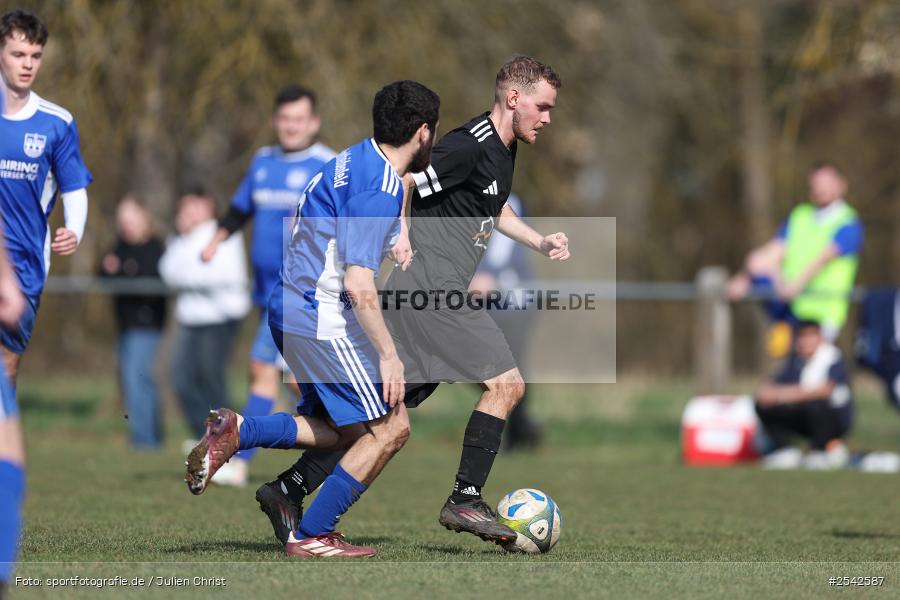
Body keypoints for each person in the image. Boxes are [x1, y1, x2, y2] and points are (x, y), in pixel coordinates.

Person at [257, 55, 568, 549]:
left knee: (377, 414)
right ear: (515, 99)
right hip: (435, 295)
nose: (549, 118)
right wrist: (401, 231)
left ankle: (288, 488)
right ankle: (465, 496)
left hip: (419, 300)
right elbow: (402, 179)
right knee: (507, 386)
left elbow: (493, 203)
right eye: (544, 106)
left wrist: (537, 241)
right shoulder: (467, 146)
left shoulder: (503, 151)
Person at [184, 80, 440, 558]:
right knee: (391, 428)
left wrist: (400, 229)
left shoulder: (353, 158)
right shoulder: (377, 190)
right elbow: (359, 285)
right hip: (319, 316)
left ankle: (242, 430)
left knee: (345, 429)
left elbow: (399, 185)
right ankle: (313, 533)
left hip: (288, 307)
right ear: (423, 132)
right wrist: (389, 356)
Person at [200, 85, 334, 487]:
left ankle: (241, 457)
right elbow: (241, 209)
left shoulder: (327, 163)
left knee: (263, 369)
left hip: (302, 292)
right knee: (295, 381)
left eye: (299, 119)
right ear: (276, 121)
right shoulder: (262, 162)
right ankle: (333, 447)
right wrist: (217, 237)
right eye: (285, 119)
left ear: (313, 122)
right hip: (268, 293)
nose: (291, 126)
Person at [0, 9, 92, 385]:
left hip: (26, 262)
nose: (27, 65)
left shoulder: (57, 122)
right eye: (18, 55)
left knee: (6, 367)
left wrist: (75, 229)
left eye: (35, 56)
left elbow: (74, 187)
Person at [728, 162, 863, 353]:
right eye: (816, 183)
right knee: (755, 261)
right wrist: (743, 278)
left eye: (827, 183)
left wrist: (795, 285)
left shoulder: (849, 222)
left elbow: (822, 260)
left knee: (816, 371)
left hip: (823, 312)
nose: (821, 188)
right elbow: (767, 255)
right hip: (792, 307)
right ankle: (781, 330)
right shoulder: (800, 216)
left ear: (841, 185)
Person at [159, 191, 250, 443]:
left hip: (220, 317)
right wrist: (183, 243)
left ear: (209, 206)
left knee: (212, 378)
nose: (189, 213)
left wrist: (187, 275)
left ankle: (227, 437)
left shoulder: (224, 233)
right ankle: (207, 436)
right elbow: (167, 272)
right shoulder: (182, 239)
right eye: (185, 207)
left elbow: (218, 276)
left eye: (194, 206)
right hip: (191, 318)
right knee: (180, 377)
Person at [469, 192, 542, 450]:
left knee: (510, 372)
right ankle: (523, 428)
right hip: (485, 304)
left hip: (513, 303)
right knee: (480, 370)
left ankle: (516, 435)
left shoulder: (510, 199)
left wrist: (488, 275)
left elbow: (502, 246)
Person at [100, 196, 167, 450]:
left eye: (130, 219)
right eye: (122, 221)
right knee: (135, 380)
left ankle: (144, 440)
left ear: (144, 218)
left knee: (137, 379)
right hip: (125, 325)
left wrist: (123, 268)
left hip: (147, 326)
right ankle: (150, 437)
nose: (125, 225)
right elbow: (104, 270)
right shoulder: (119, 245)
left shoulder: (155, 246)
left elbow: (148, 275)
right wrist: (117, 268)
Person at [755, 320, 853, 470]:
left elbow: (824, 391)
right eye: (802, 336)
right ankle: (784, 450)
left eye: (810, 336)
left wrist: (784, 395)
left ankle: (820, 451)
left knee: (815, 405)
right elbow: (770, 388)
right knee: (763, 405)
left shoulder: (833, 358)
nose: (805, 341)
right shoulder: (795, 361)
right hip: (804, 416)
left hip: (833, 419)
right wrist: (771, 394)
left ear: (820, 338)